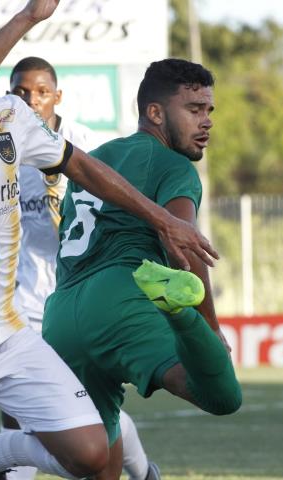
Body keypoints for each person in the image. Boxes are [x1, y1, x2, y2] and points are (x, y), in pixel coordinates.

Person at [0, 3, 218, 479]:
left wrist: (163, 220)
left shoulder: (9, 115)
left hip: (6, 330)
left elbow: (79, 165)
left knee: (92, 453)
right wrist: (28, 17)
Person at [43, 58, 243, 480]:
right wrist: (207, 325)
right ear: (155, 113)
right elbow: (182, 245)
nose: (206, 121)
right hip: (119, 303)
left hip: (60, 315)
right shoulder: (173, 165)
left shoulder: (96, 161)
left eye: (209, 110)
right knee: (222, 394)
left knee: (99, 465)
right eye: (193, 109)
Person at [2, 56, 159, 480]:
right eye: (20, 92)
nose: (31, 101)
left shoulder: (88, 147)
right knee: (19, 406)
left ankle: (142, 470)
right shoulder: (1, 151)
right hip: (21, 300)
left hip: (77, 294)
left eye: (40, 92)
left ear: (57, 96)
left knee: (85, 409)